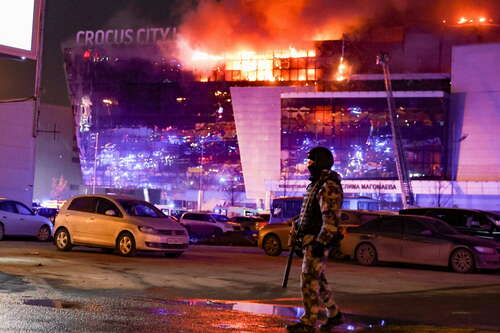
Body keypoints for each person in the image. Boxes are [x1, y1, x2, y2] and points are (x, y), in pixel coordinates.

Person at [286, 146, 344, 333]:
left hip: (317, 241)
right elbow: (312, 213)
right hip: (310, 239)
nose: (308, 165)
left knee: (309, 281)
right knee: (318, 281)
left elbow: (331, 218)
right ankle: (334, 315)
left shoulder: (328, 185)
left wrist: (321, 242)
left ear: (320, 162)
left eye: (311, 161)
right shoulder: (317, 183)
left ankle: (308, 322)